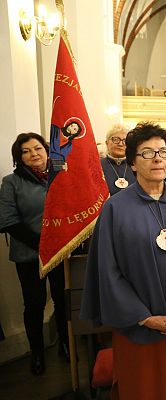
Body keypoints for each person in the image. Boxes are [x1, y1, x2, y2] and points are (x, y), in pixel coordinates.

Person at [80, 122, 166, 399]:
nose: (158, 159)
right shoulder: (115, 208)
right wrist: (143, 317)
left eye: (163, 152)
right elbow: (108, 270)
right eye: (147, 153)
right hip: (139, 328)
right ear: (132, 162)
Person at [0, 133, 69, 375]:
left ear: (47, 151)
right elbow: (8, 220)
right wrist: (43, 244)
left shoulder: (60, 176)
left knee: (63, 300)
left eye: (38, 148)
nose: (34, 154)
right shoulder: (11, 182)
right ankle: (37, 353)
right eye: (26, 151)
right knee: (34, 304)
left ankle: (64, 343)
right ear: (19, 157)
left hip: (61, 251)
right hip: (29, 254)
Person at [100, 124, 136, 195]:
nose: (120, 144)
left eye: (125, 141)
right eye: (115, 139)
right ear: (107, 143)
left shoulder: (136, 166)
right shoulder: (98, 166)